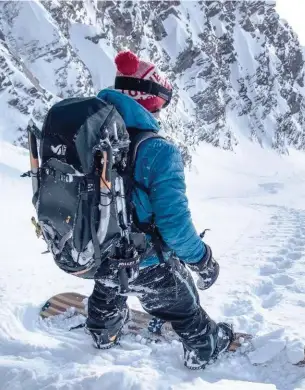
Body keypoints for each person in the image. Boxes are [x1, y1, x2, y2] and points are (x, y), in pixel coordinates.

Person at [85, 50, 233, 370]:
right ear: (149, 100)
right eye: (162, 102)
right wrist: (202, 259)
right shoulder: (157, 150)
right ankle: (203, 346)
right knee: (181, 302)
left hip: (90, 247)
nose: (162, 110)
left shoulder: (91, 134)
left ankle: (102, 328)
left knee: (112, 278)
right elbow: (174, 225)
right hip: (141, 260)